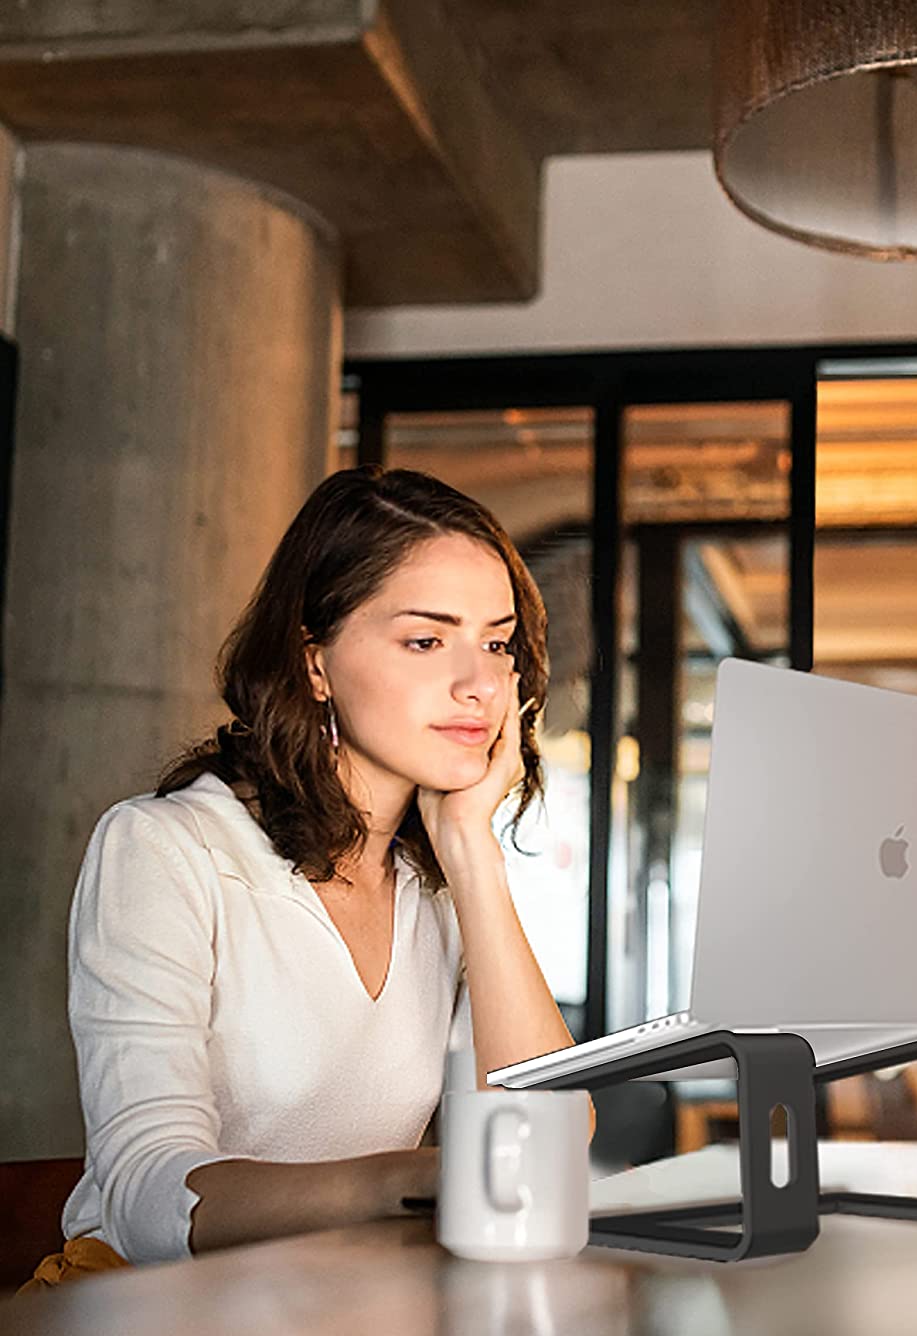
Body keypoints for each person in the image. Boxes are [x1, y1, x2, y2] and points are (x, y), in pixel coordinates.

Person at [19, 465, 595, 1289]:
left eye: (497, 643)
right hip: (143, 1326)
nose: (478, 683)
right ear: (314, 660)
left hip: (340, 1314)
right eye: (427, 640)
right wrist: (404, 1178)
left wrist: (471, 849)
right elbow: (150, 1197)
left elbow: (548, 1141)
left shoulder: (438, 884)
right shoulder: (165, 849)